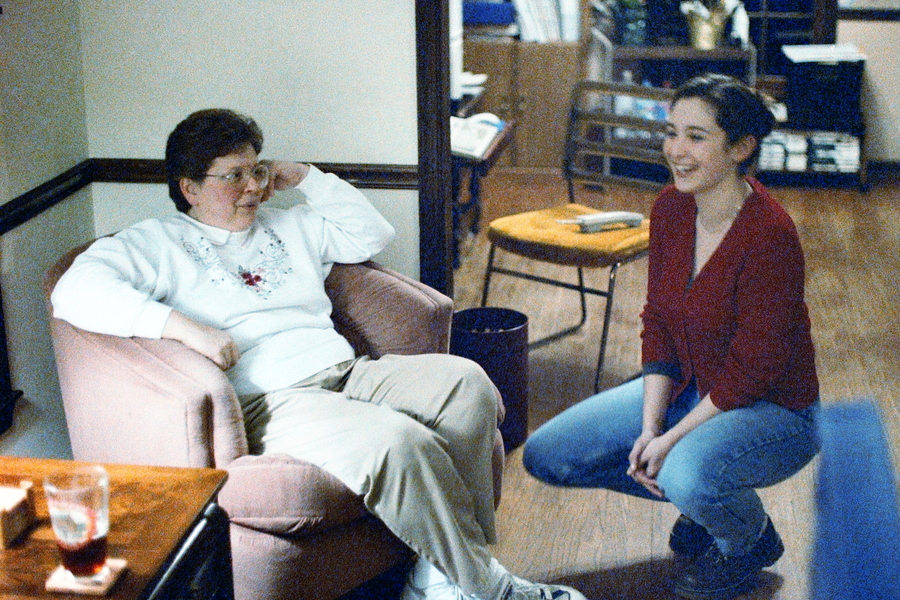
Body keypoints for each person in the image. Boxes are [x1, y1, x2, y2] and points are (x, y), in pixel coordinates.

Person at [50, 108, 586, 600]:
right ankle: (490, 588)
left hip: (349, 372)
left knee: (466, 385)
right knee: (398, 443)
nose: (252, 187)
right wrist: (182, 328)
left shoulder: (290, 224)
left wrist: (305, 177)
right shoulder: (156, 242)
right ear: (189, 187)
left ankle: (440, 576)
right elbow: (73, 289)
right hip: (273, 398)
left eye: (256, 170)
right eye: (233, 176)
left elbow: (371, 234)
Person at [522, 74, 820, 600]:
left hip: (775, 410)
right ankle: (708, 502)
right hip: (690, 386)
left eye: (696, 137)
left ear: (741, 148)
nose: (675, 150)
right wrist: (650, 427)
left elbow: (754, 369)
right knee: (548, 455)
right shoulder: (672, 207)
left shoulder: (771, 235)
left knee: (683, 471)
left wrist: (671, 438)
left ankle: (747, 539)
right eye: (671, 132)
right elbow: (658, 320)